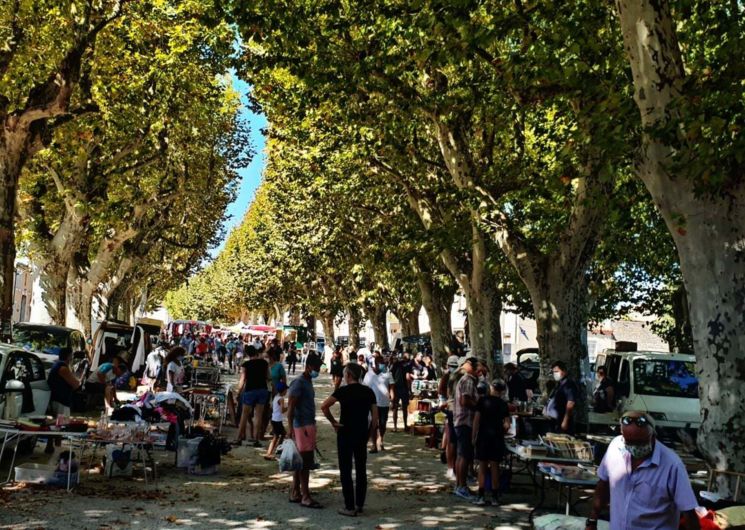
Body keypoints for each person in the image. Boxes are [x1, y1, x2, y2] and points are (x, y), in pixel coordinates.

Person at [586, 411, 700, 530]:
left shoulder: (672, 465)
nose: (635, 447)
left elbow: (688, 511)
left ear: (653, 437)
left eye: (640, 442)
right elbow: (602, 484)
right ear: (622, 435)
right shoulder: (615, 447)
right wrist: (592, 520)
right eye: (629, 442)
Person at [321, 363, 378, 517]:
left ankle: (349, 505)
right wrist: (369, 435)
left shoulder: (343, 391)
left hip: (345, 431)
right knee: (361, 468)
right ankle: (359, 503)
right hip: (361, 433)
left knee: (345, 470)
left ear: (348, 375)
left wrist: (333, 422)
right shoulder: (368, 392)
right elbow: (375, 419)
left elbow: (324, 406)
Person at [287, 353, 324, 509]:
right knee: (305, 462)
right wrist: (291, 429)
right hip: (302, 426)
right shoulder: (299, 383)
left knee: (300, 462)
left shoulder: (307, 382)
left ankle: (296, 491)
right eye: (316, 368)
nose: (318, 370)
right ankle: (306, 496)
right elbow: (290, 409)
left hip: (307, 425)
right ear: (308, 367)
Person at [472, 380, 510, 506]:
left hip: (483, 436)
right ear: (502, 391)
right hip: (497, 437)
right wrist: (502, 431)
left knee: (482, 466)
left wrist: (473, 436)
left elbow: (476, 420)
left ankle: (481, 495)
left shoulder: (482, 401)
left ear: (491, 388)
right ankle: (495, 496)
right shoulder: (503, 404)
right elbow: (507, 424)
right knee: (495, 466)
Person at [453, 357, 479, 500]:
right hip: (465, 421)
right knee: (464, 455)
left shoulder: (464, 379)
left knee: (460, 455)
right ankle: (462, 486)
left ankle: (459, 485)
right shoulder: (468, 380)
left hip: (460, 421)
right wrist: (478, 405)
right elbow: (465, 400)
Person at [46, 350, 82, 453]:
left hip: (57, 398)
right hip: (61, 399)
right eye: (71, 357)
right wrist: (78, 380)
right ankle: (56, 447)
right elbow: (75, 384)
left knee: (56, 423)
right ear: (68, 357)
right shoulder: (63, 368)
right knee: (60, 424)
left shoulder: (57, 365)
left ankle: (52, 446)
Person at [236, 346, 270, 447]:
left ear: (247, 354)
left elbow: (242, 380)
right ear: (256, 352)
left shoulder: (246, 364)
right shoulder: (264, 363)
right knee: (258, 416)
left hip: (250, 390)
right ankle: (256, 439)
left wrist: (238, 392)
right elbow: (269, 377)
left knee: (244, 415)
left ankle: (238, 438)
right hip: (262, 390)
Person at [363, 355, 393, 453]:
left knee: (383, 424)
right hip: (372, 404)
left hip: (384, 403)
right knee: (373, 424)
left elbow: (392, 388)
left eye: (384, 363)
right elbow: (364, 389)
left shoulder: (388, 374)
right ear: (376, 363)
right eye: (382, 363)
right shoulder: (369, 374)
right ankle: (374, 444)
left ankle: (381, 439)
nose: (384, 365)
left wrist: (393, 399)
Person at [439, 355, 462, 480]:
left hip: (452, 408)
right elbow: (442, 390)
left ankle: (452, 466)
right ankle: (450, 467)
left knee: (450, 438)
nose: (453, 368)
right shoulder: (448, 377)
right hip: (450, 408)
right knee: (450, 439)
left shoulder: (457, 376)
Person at [547, 360, 579, 434]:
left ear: (564, 371)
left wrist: (565, 420)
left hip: (563, 421)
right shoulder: (560, 384)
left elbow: (570, 403)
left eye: (557, 371)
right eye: (554, 372)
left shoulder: (569, 385)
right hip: (555, 420)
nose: (555, 374)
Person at [263, 381, 288, 461]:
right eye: (286, 390)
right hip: (277, 420)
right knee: (277, 436)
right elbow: (282, 410)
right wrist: (289, 407)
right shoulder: (281, 399)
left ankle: (276, 449)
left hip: (274, 419)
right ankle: (271, 452)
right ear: (283, 391)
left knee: (281, 434)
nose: (286, 392)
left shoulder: (275, 397)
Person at [390, 353, 413, 432]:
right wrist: (410, 390)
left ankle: (395, 427)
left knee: (395, 408)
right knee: (404, 408)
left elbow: (391, 375)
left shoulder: (395, 364)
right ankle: (405, 426)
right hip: (404, 389)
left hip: (396, 388)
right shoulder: (407, 366)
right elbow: (407, 378)